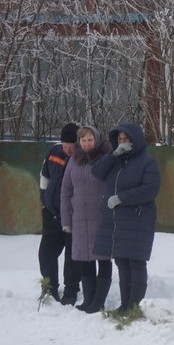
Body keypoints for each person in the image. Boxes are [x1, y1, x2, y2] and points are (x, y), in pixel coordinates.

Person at [91, 122, 161, 315]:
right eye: (119, 139)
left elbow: (150, 189)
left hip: (138, 218)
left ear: (135, 140)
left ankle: (134, 306)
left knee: (136, 261)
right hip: (116, 221)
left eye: (126, 139)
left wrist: (121, 198)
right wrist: (113, 154)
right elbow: (96, 172)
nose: (122, 143)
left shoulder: (148, 162)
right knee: (121, 261)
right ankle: (124, 305)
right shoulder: (115, 161)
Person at [60, 126, 113, 313]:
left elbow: (115, 185)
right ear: (79, 142)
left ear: (97, 140)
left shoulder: (107, 158)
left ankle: (98, 302)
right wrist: (66, 220)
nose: (87, 143)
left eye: (90, 140)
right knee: (85, 260)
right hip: (80, 220)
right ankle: (89, 299)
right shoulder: (74, 161)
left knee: (103, 259)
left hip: (102, 218)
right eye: (83, 140)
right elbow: (66, 191)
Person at [39, 122, 80, 304]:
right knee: (46, 254)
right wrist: (45, 201)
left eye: (71, 146)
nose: (67, 149)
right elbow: (44, 175)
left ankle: (71, 291)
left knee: (72, 256)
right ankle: (49, 288)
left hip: (73, 217)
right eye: (65, 146)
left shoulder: (83, 157)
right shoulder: (54, 152)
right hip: (52, 214)